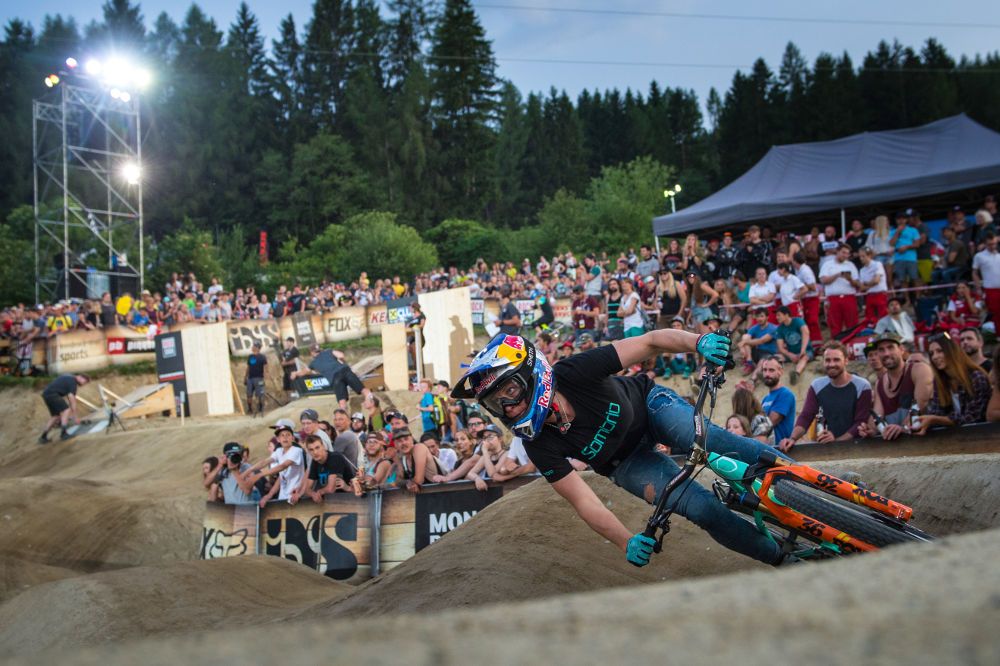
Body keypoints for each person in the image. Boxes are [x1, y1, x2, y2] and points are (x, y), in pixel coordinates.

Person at [452, 329, 800, 568]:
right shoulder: (538, 444)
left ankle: (813, 482)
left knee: (718, 444)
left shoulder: (573, 372)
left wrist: (700, 341)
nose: (508, 408)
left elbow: (648, 343)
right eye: (496, 404)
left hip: (650, 408)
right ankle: (780, 559)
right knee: (703, 511)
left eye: (509, 392)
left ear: (530, 374)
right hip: (626, 463)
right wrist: (624, 541)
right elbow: (583, 500)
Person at [779, 342, 872, 451]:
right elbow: (806, 416)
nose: (831, 364)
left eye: (836, 360)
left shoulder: (862, 386)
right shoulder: (817, 385)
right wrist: (792, 438)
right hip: (829, 445)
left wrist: (837, 441)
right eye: (827, 360)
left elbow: (860, 422)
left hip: (857, 447)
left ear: (846, 361)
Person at [864, 332, 934, 441]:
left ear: (901, 350)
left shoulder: (919, 369)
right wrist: (869, 430)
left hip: (928, 442)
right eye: (881, 350)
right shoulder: (880, 383)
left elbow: (921, 407)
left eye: (890, 347)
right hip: (898, 447)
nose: (886, 353)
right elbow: (876, 417)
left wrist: (903, 428)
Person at [916, 333, 991, 432]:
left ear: (952, 352)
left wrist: (935, 420)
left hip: (983, 437)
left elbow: (972, 418)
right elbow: (936, 412)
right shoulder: (939, 381)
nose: (935, 357)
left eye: (940, 351)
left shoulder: (976, 377)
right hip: (952, 440)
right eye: (931, 353)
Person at [248, 422, 305, 507]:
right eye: (282, 435)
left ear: (292, 438)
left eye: (288, 435)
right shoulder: (278, 451)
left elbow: (283, 466)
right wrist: (248, 470)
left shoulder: (296, 450)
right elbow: (265, 462)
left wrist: (260, 474)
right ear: (278, 439)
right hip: (282, 497)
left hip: (296, 497)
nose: (285, 437)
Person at [296, 434, 356, 503]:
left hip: (350, 499)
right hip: (333, 501)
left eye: (317, 448)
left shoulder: (335, 457)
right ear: (308, 452)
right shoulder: (315, 461)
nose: (315, 452)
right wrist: (313, 494)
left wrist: (319, 492)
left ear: (323, 447)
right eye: (311, 450)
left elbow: (331, 489)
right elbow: (307, 489)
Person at [818, 244, 860, 338]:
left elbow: (857, 284)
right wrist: (837, 275)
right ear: (837, 251)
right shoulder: (827, 264)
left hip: (849, 297)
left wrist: (850, 279)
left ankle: (853, 343)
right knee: (834, 325)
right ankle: (837, 345)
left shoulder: (851, 265)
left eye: (847, 254)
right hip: (833, 298)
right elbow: (823, 280)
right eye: (843, 252)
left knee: (852, 323)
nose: (845, 255)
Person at [38, 373, 90, 443]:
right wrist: (75, 417)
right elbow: (72, 399)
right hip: (53, 394)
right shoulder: (73, 382)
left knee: (55, 416)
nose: (84, 384)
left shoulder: (69, 378)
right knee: (66, 410)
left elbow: (70, 399)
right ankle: (64, 434)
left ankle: (43, 437)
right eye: (85, 382)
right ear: (80, 377)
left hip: (47, 394)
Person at [757, 356, 796, 446]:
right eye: (764, 370)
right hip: (767, 448)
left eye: (771, 370)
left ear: (780, 372)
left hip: (780, 450)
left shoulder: (785, 394)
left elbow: (770, 423)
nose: (767, 374)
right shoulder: (765, 399)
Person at [773, 306, 811, 383]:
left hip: (806, 350)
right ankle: (769, 375)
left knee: (804, 358)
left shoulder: (798, 321)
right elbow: (780, 347)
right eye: (776, 315)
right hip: (791, 353)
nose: (777, 317)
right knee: (775, 357)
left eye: (779, 315)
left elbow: (806, 333)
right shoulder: (780, 328)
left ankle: (796, 374)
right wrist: (790, 355)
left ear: (786, 315)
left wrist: (802, 350)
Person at [737, 307, 778, 375]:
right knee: (745, 337)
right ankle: (749, 363)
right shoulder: (755, 327)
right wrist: (742, 347)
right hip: (757, 351)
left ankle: (753, 373)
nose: (759, 319)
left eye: (762, 316)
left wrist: (743, 343)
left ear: (767, 317)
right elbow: (746, 338)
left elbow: (761, 340)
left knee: (746, 341)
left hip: (768, 353)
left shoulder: (773, 328)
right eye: (758, 316)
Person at [972, 232, 1000, 324]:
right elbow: (974, 273)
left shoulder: (999, 255)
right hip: (991, 289)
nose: (992, 246)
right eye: (990, 244)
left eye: (994, 244)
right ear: (985, 244)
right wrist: (978, 288)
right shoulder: (979, 256)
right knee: (996, 313)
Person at [890, 210, 922, 289]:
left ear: (906, 220)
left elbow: (917, 244)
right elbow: (891, 244)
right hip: (898, 258)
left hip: (911, 258)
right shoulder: (892, 232)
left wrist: (906, 247)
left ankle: (918, 298)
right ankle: (907, 300)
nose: (901, 220)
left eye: (903, 218)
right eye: (899, 219)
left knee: (915, 278)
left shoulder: (913, 230)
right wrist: (897, 232)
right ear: (896, 220)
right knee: (902, 280)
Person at [857, 247, 889, 325]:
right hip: (869, 296)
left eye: (863, 256)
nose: (861, 258)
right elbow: (862, 287)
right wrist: (871, 283)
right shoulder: (862, 270)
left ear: (869, 255)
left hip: (880, 294)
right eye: (860, 256)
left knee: (883, 316)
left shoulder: (877, 264)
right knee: (870, 319)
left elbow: (876, 281)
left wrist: (867, 284)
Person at [244, 342, 268, 416]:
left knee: (259, 394)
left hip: (259, 378)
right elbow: (248, 367)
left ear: (257, 348)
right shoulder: (250, 356)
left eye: (253, 346)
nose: (252, 347)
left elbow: (265, 368)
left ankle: (260, 407)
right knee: (249, 394)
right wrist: (245, 377)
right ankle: (250, 409)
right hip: (250, 378)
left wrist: (265, 378)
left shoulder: (262, 357)